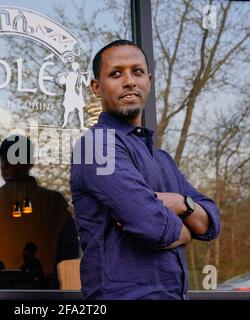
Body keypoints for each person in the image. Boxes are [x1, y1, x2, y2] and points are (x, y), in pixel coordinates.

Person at [70, 40, 221, 300]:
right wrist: (186, 232)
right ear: (96, 87)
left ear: (148, 81)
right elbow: (149, 224)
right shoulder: (96, 146)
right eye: (116, 73)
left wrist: (180, 203)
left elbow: (211, 223)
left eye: (137, 72)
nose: (129, 81)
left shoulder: (161, 159)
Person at [0, 135, 80, 285]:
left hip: (5, 288)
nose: (8, 167)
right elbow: (70, 249)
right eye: (8, 162)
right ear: (31, 163)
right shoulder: (53, 202)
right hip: (40, 290)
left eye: (12, 161)